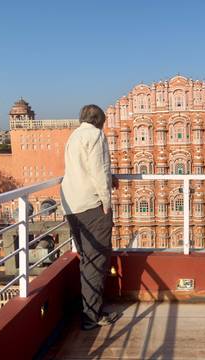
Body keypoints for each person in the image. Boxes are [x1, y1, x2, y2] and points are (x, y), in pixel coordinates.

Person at [61, 104, 120, 330]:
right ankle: (90, 317)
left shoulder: (74, 136)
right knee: (96, 261)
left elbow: (82, 168)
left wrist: (109, 176)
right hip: (91, 205)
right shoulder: (96, 135)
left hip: (72, 204)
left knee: (87, 259)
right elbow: (97, 169)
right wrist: (106, 201)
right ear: (100, 121)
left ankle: (89, 310)